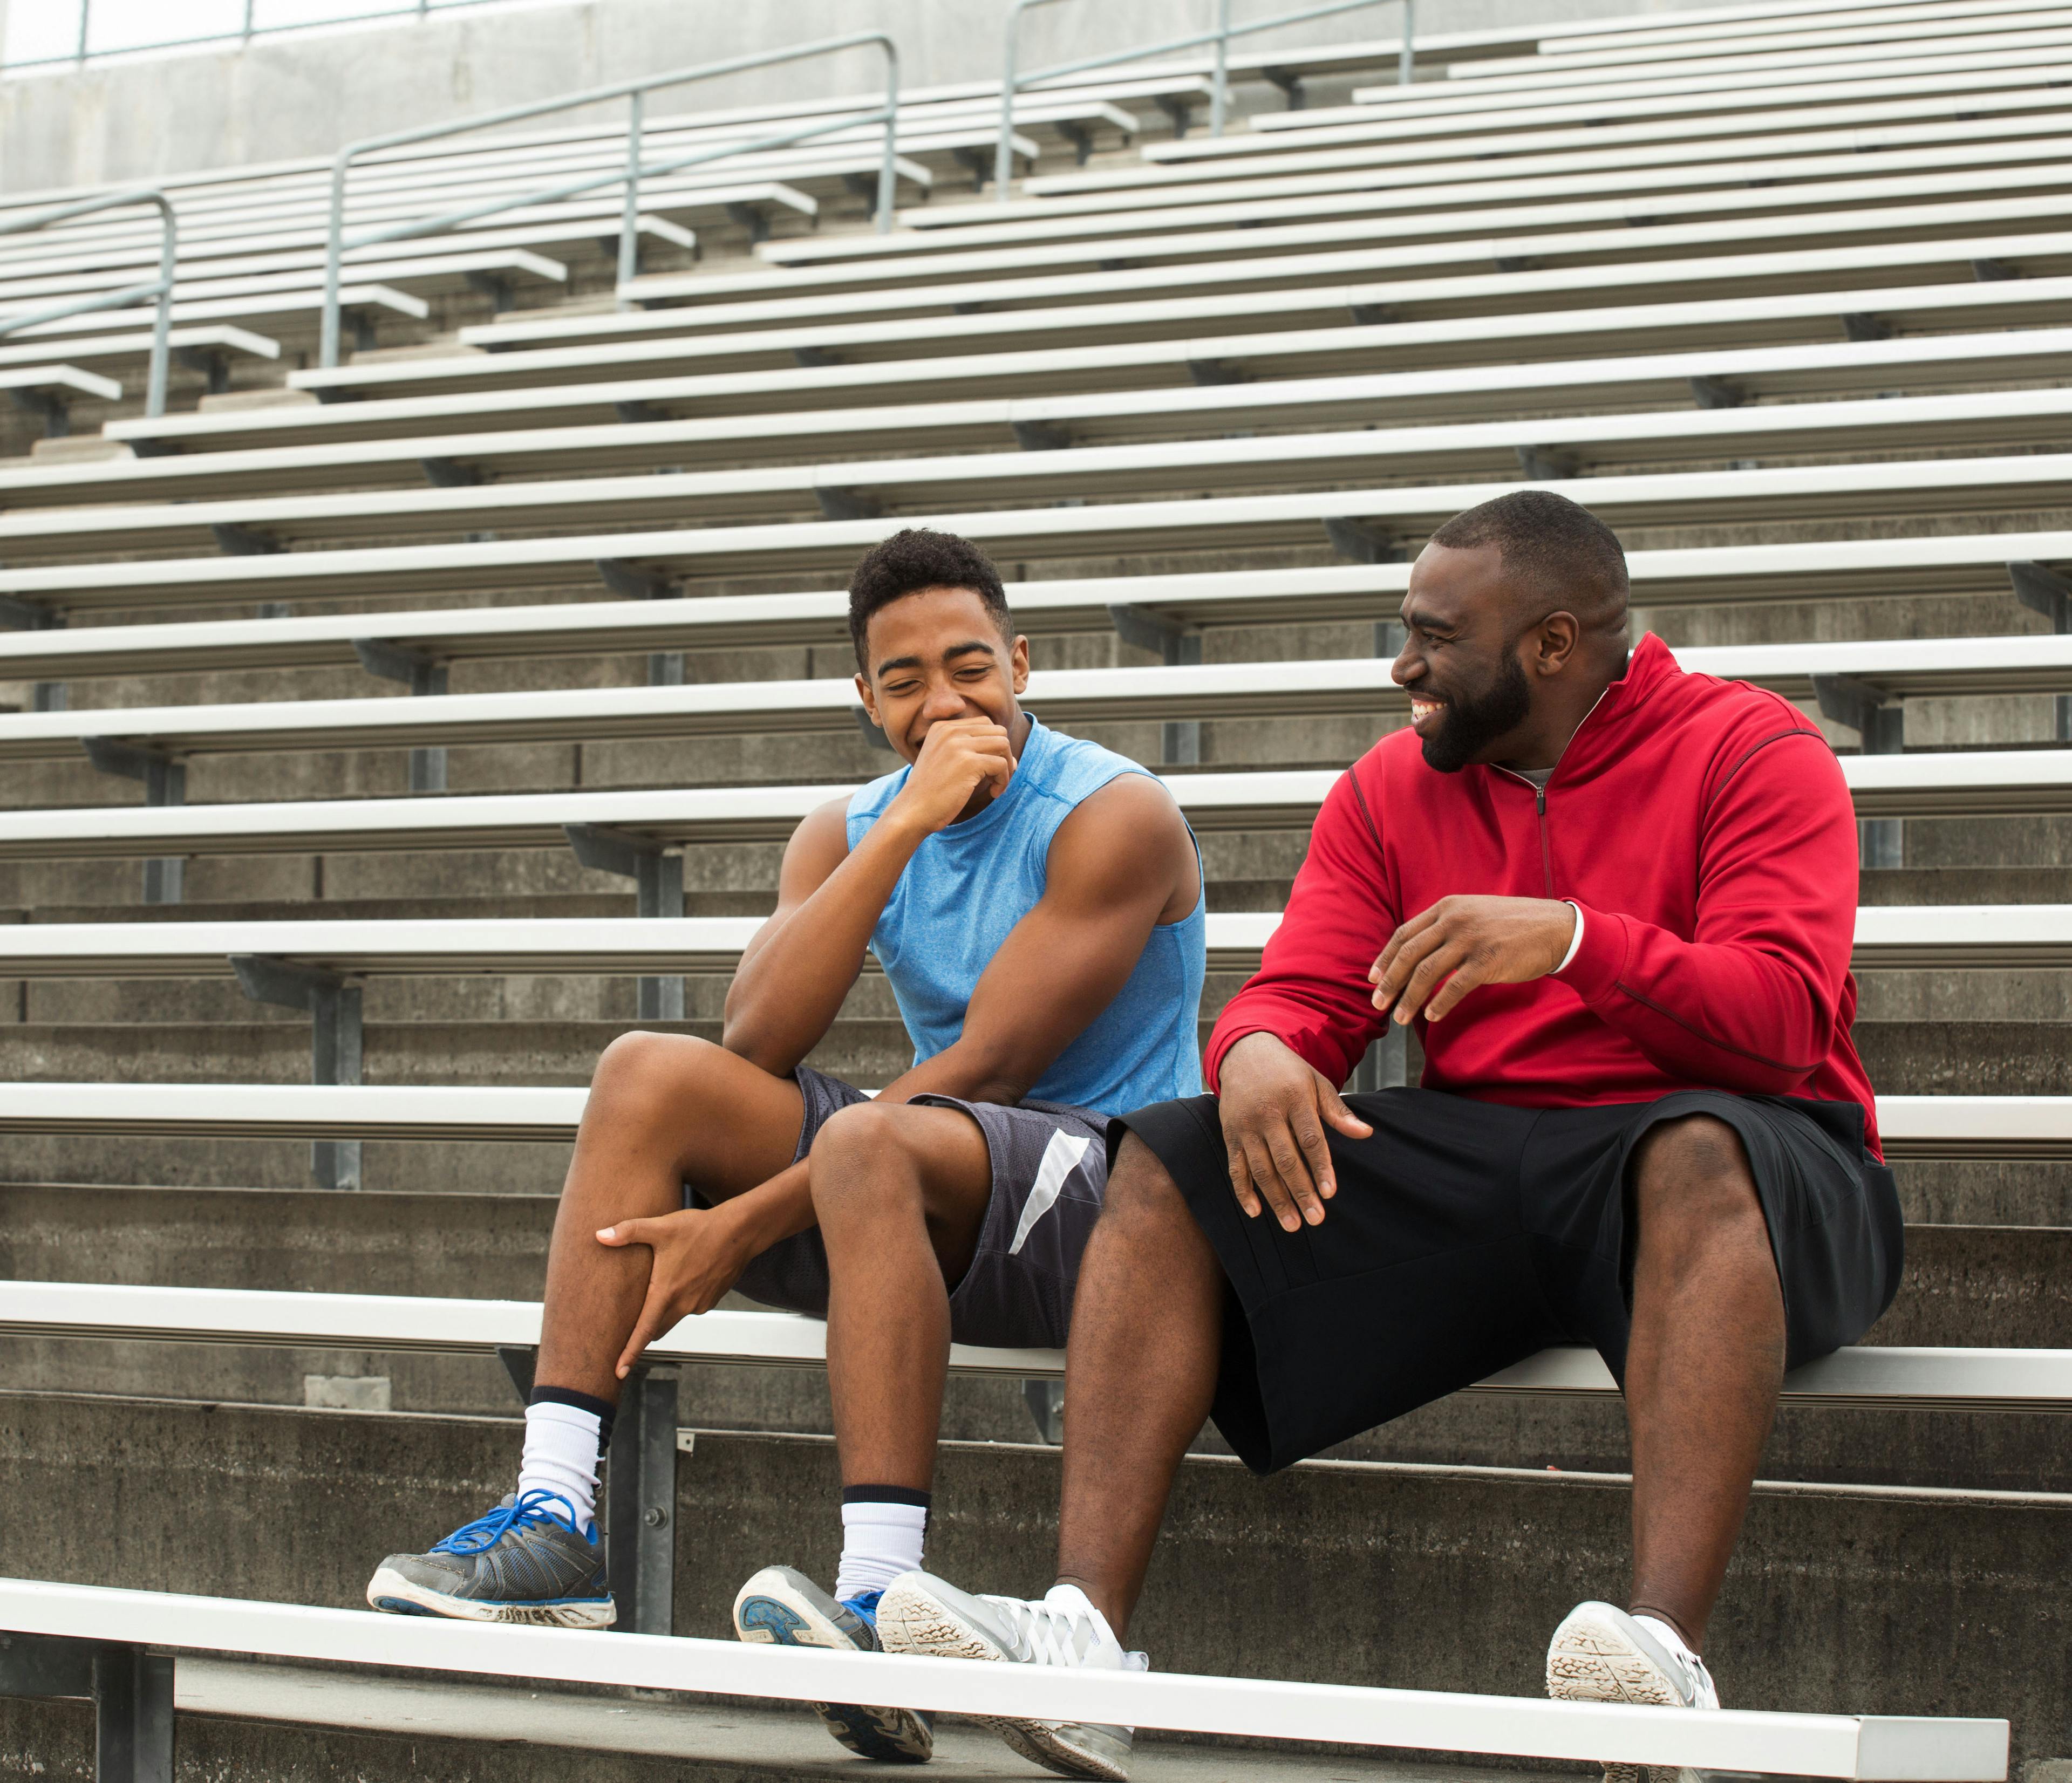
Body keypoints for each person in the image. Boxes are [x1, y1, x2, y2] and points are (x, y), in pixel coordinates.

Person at [873, 488, 1903, 1782]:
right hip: (1498, 1151)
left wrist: (1576, 940)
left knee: (1692, 1149)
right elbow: (1301, 993)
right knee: (1170, 1153)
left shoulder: (1755, 750)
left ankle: (1663, 1662)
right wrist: (1252, 1056)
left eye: (1433, 637)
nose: (1403, 666)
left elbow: (1785, 1018)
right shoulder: (1391, 785)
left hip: (1758, 1151)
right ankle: (1081, 1641)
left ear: (1552, 643)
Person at [366, 527, 1207, 1766]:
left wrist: (747, 1221)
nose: (945, 700)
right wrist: (901, 829)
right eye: (905, 680)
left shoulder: (1113, 813)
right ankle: (555, 1518)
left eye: (971, 666)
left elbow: (993, 1071)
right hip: (928, 1176)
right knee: (646, 1076)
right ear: (866, 702)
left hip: (1116, 1202)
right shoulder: (855, 826)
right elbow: (756, 1032)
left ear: (1023, 664)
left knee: (873, 1138)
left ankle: (876, 1598)